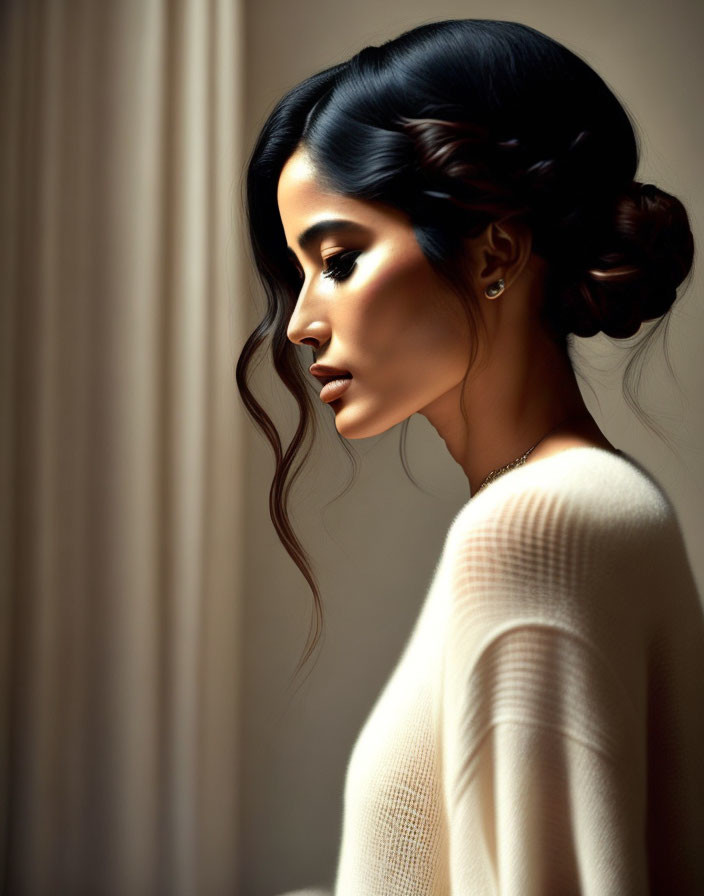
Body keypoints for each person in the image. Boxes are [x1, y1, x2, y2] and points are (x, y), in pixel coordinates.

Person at [236, 18, 704, 895]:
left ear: (496, 250)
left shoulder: (538, 526)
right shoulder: (599, 502)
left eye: (337, 261)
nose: (299, 324)